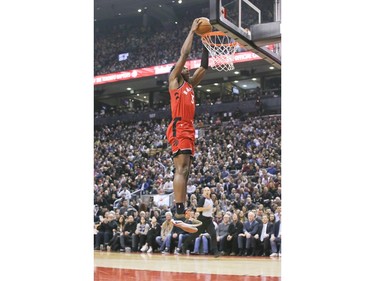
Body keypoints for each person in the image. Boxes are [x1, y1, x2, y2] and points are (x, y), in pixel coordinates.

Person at [166, 18, 209, 231]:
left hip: (189, 128)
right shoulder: (175, 80)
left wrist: (206, 42)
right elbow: (184, 55)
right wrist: (192, 31)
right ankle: (178, 213)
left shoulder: (190, 84)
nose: (185, 67)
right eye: (182, 67)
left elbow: (204, 66)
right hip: (179, 126)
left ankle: (181, 213)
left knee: (187, 170)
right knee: (181, 168)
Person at [182, 187, 220, 257]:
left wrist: (212, 210)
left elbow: (209, 210)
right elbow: (198, 209)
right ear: (203, 192)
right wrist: (207, 208)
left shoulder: (211, 200)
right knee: (195, 235)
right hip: (202, 220)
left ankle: (215, 251)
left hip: (209, 220)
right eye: (205, 190)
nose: (207, 191)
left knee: (213, 234)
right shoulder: (202, 199)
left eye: (208, 190)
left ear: (210, 191)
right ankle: (184, 245)